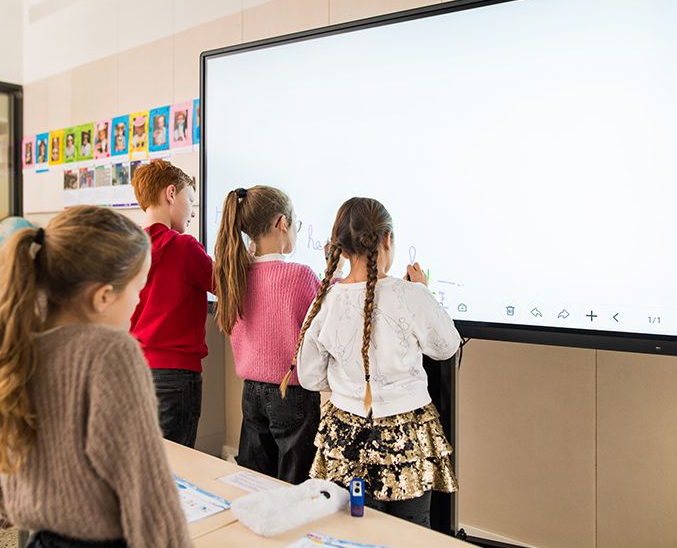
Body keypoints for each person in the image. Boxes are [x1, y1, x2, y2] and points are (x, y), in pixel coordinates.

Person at [0, 206, 194, 548]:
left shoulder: (19, 340)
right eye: (137, 290)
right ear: (103, 296)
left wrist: (5, 505)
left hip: (42, 544)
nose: (139, 301)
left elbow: (1, 442)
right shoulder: (110, 352)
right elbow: (144, 485)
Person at [294, 197, 460, 528]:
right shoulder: (410, 295)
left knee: (355, 530)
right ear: (386, 239)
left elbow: (308, 375)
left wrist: (349, 384)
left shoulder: (326, 301)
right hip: (407, 435)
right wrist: (424, 292)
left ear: (341, 248)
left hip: (345, 434)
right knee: (412, 534)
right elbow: (446, 346)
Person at [213, 186, 321, 483]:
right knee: (295, 484)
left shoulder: (235, 274)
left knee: (256, 482)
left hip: (251, 394)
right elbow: (326, 321)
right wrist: (336, 276)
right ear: (281, 223)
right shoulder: (299, 276)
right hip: (291, 393)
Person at [130, 161, 213, 446]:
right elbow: (225, 284)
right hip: (176, 376)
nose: (192, 210)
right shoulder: (184, 247)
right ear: (171, 194)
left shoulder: (129, 248)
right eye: (190, 200)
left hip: (137, 369)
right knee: (177, 463)